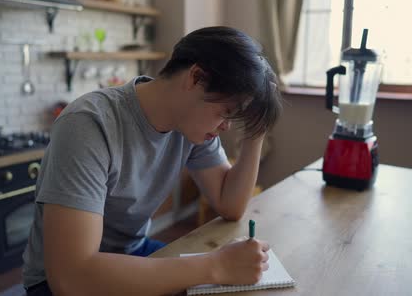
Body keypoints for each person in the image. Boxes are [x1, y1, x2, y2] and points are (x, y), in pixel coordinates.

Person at [22, 26, 283, 295]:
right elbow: (72, 278)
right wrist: (215, 266)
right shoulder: (89, 124)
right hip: (60, 281)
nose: (226, 127)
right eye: (226, 112)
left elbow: (231, 205)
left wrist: (256, 129)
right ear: (196, 78)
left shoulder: (191, 124)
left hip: (133, 253)